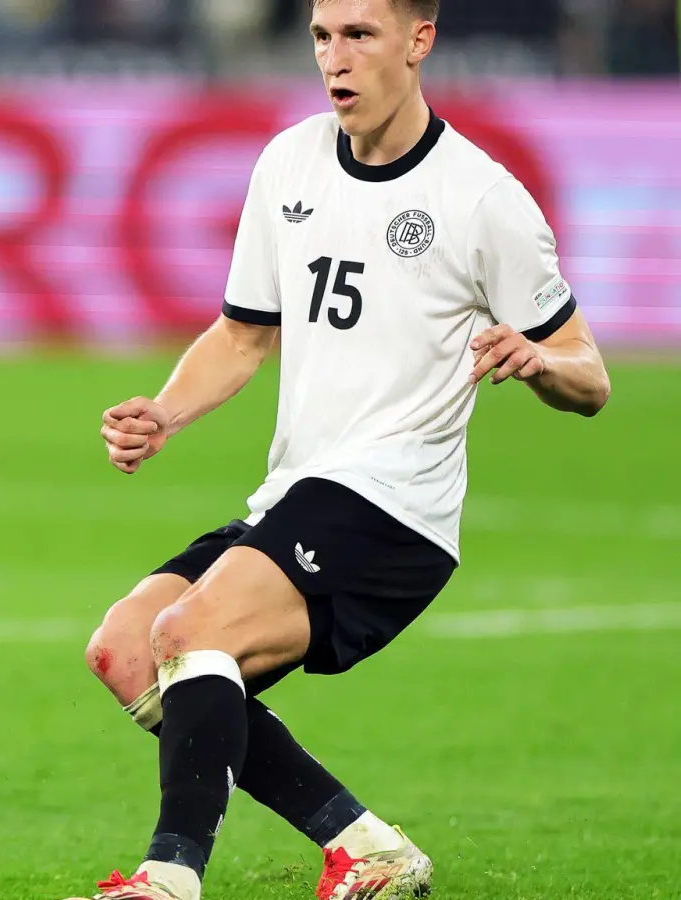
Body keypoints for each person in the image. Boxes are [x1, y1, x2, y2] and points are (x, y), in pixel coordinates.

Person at [72, 1, 612, 899]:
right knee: (127, 648)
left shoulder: (481, 199)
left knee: (189, 631)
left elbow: (589, 373)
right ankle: (365, 845)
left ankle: (170, 876)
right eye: (323, 36)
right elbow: (243, 334)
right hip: (302, 491)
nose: (336, 58)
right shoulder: (288, 163)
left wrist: (538, 359)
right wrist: (166, 412)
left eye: (360, 35)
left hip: (397, 510)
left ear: (418, 40)